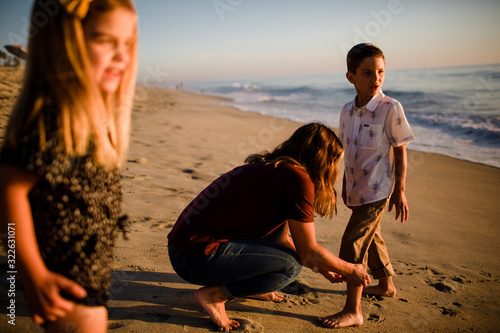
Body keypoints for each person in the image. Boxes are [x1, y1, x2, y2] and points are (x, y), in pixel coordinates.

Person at [0, 0, 137, 332]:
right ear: (65, 43)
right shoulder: (57, 117)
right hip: (68, 280)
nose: (121, 55)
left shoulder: (91, 117)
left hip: (91, 270)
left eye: (128, 43)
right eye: (104, 40)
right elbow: (6, 189)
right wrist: (30, 274)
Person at [168, 123, 372, 331]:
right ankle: (214, 295)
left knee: (277, 239)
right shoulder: (298, 180)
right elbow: (307, 250)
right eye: (334, 162)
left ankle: (251, 287)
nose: (335, 169)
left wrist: (323, 268)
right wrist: (350, 269)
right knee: (289, 267)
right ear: (322, 160)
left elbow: (282, 239)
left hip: (182, 249)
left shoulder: (274, 169)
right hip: (196, 257)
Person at [318, 43, 415, 328]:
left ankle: (353, 310)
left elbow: (400, 149)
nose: (376, 79)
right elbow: (342, 149)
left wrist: (400, 189)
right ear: (351, 77)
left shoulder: (390, 108)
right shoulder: (347, 111)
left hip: (378, 189)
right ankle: (385, 285)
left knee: (353, 243)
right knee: (373, 236)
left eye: (381, 72)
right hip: (354, 188)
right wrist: (329, 180)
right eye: (368, 72)